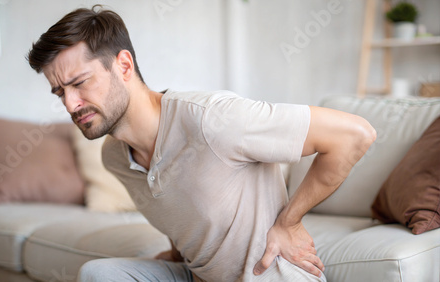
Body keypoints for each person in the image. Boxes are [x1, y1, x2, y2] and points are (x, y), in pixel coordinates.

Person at [27, 5, 376, 282]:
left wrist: (290, 222)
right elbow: (180, 207)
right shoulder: (115, 156)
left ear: (123, 65)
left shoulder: (212, 118)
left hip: (268, 276)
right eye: (60, 92)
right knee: (99, 274)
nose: (70, 104)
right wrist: (178, 253)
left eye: (79, 83)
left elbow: (354, 135)